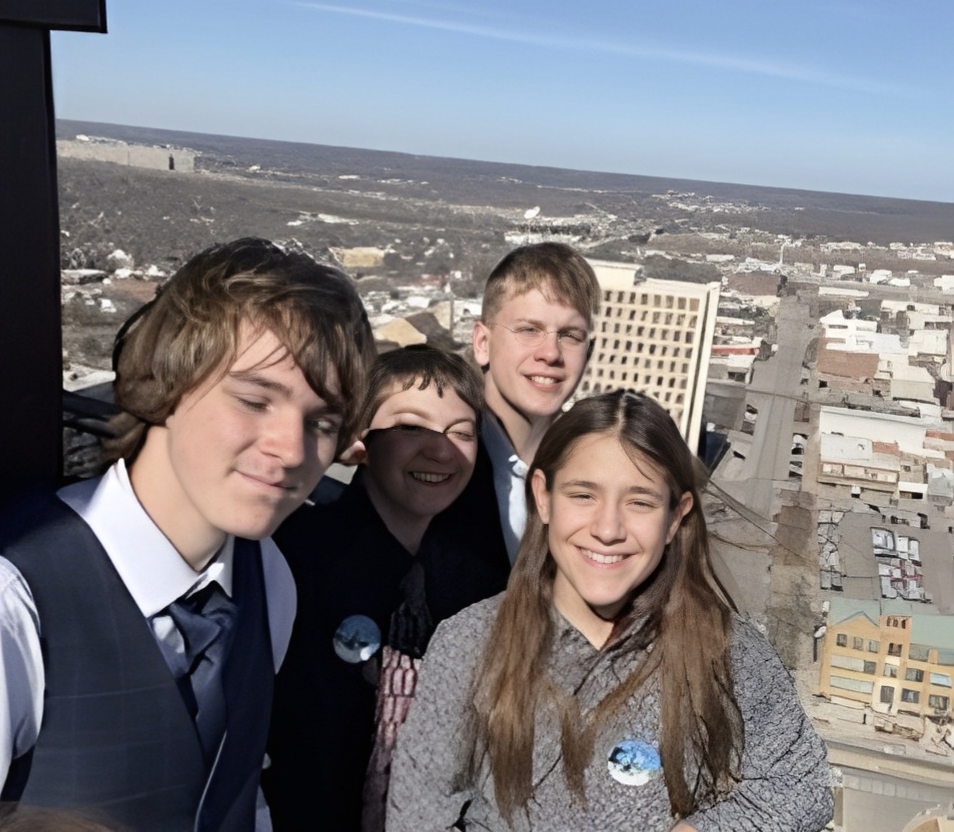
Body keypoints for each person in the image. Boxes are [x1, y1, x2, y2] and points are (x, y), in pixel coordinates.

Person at [0, 238, 375, 832]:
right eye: (254, 400)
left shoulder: (268, 579)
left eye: (320, 422)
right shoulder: (17, 601)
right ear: (169, 383)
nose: (292, 449)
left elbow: (234, 791)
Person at [387, 390, 834, 832]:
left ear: (675, 518)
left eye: (639, 502)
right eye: (584, 495)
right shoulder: (469, 643)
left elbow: (801, 786)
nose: (607, 529)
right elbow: (419, 814)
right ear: (543, 497)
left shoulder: (725, 650)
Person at [263, 345, 510, 832]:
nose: (441, 450)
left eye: (461, 433)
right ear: (360, 441)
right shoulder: (293, 558)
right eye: (411, 427)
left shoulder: (483, 585)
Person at [465, 242, 602, 564]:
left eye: (570, 336)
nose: (550, 353)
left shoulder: (600, 472)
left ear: (588, 354)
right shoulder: (436, 458)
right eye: (529, 330)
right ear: (482, 343)